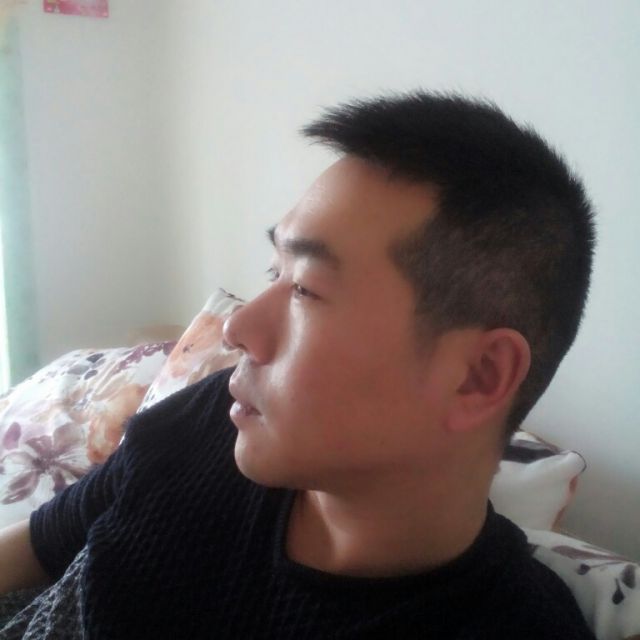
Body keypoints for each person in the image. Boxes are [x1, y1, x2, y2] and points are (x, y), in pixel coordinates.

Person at [0, 91, 596, 639]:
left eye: (306, 288)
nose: (235, 327)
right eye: (274, 272)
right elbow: (49, 540)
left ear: (478, 377)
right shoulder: (213, 417)